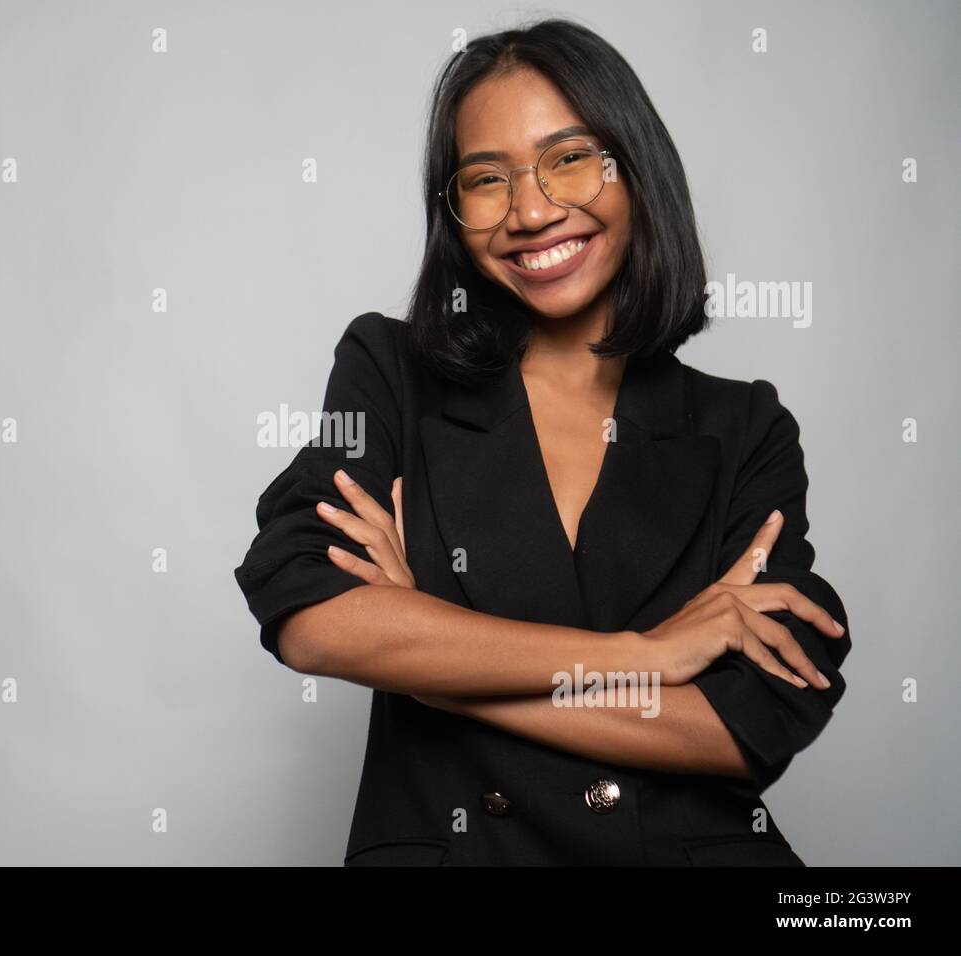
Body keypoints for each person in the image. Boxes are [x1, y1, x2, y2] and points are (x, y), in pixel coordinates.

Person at [233, 18, 851, 866]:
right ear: (454, 213)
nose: (530, 211)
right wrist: (644, 659)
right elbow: (312, 616)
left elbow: (748, 725)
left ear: (636, 167)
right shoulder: (390, 370)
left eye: (569, 158)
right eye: (486, 179)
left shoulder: (743, 428)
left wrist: (427, 664)